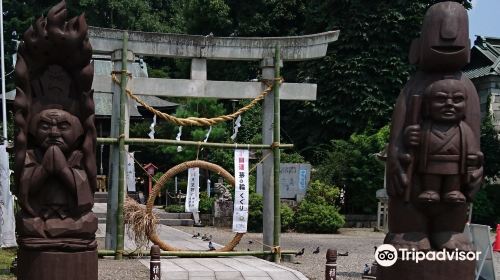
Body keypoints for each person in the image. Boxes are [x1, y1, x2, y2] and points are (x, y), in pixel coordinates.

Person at [404, 78, 482, 204]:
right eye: (441, 99)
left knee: (453, 180)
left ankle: (452, 191)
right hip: (430, 164)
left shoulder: (464, 129)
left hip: (456, 166)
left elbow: (472, 149)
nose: (449, 104)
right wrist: (410, 136)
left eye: (457, 100)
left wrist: (474, 157)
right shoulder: (425, 127)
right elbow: (412, 145)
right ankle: (430, 190)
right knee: (431, 179)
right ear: (428, 105)